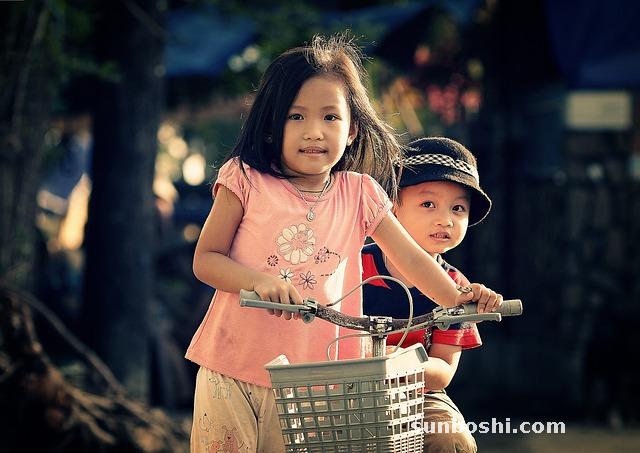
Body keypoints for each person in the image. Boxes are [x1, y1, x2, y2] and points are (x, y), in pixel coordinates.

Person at [186, 34, 501, 453]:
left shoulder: (360, 193)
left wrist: (461, 299)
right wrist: (258, 282)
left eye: (330, 117)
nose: (314, 132)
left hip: (314, 383)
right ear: (270, 125)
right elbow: (206, 260)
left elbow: (413, 260)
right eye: (295, 116)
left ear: (352, 130)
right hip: (231, 366)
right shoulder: (243, 177)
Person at [362, 136, 500, 452]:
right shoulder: (353, 266)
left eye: (458, 208)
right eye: (428, 204)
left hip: (419, 394)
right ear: (392, 206)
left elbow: (442, 370)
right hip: (347, 386)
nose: (445, 219)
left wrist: (396, 364)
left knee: (451, 438)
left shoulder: (456, 288)